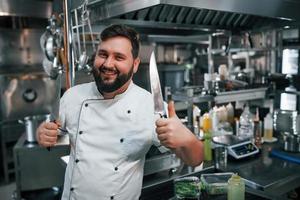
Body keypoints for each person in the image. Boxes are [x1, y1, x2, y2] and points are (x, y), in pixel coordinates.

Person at [36, 24, 203, 200]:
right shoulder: (73, 96)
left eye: (119, 57)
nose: (108, 64)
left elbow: (195, 159)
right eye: (103, 54)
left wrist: (187, 139)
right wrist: (44, 135)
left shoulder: (148, 106)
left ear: (135, 64)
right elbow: (61, 136)